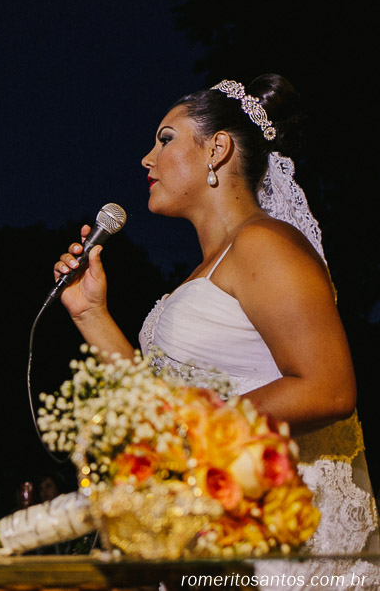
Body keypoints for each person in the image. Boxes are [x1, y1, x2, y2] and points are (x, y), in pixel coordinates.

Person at [53, 74, 378, 582]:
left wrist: (194, 431)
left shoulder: (265, 244)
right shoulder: (208, 268)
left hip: (277, 537)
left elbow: (329, 389)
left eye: (165, 139)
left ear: (218, 149)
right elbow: (160, 409)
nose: (146, 159)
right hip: (214, 540)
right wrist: (90, 313)